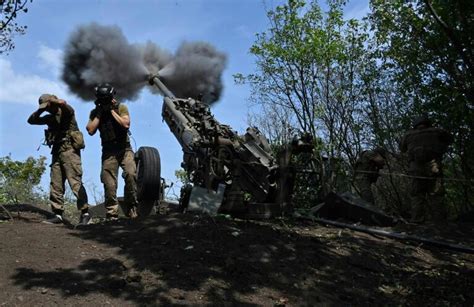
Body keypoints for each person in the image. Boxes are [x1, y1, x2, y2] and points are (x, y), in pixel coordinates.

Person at [27, 94, 91, 225]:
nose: (47, 109)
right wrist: (41, 110)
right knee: (55, 184)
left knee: (75, 182)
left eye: (47, 107)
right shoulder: (49, 118)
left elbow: (68, 107)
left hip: (70, 151)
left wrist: (55, 101)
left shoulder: (66, 113)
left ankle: (85, 213)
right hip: (57, 151)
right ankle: (58, 214)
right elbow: (31, 120)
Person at [86, 83, 138, 220]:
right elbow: (90, 130)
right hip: (109, 151)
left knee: (131, 174)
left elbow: (125, 124)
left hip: (124, 148)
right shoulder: (95, 112)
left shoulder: (121, 107)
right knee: (109, 182)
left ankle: (131, 206)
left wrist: (111, 111)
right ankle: (112, 213)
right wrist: (100, 113)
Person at [400, 114, 453, 223]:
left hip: (416, 167)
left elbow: (402, 148)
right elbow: (449, 140)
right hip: (433, 166)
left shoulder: (408, 135)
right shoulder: (437, 131)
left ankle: (417, 220)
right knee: (436, 194)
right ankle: (439, 221)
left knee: (417, 195)